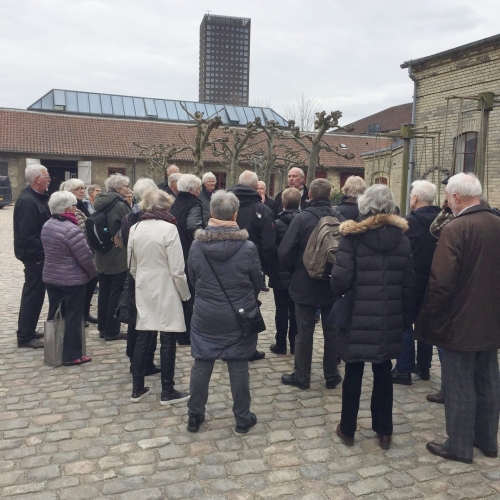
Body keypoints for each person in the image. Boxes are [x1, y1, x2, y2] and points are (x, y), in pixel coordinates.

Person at [415, 173, 500, 464]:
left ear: (456, 197)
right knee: (488, 381)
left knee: (460, 384)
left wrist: (431, 314)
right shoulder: (497, 223)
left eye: (448, 197)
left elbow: (441, 281)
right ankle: (487, 440)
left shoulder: (456, 228)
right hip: (491, 320)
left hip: (460, 321)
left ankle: (460, 445)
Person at [331, 184, 413, 450]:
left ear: (365, 205)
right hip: (388, 314)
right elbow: (408, 283)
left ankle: (348, 428)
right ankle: (384, 431)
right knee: (383, 371)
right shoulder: (402, 239)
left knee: (353, 371)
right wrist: (405, 316)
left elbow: (340, 280)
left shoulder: (352, 238)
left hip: (357, 313)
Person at [186, 190, 262, 433]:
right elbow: (257, 281)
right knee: (238, 362)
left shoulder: (197, 246)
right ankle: (242, 417)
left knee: (202, 361)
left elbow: (192, 278)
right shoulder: (248, 247)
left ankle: (194, 414)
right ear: (235, 215)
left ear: (211, 213)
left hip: (206, 312)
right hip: (238, 314)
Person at [278, 178, 344, 390]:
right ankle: (332, 374)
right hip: (332, 282)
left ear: (309, 195)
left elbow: (284, 252)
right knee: (332, 330)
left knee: (304, 331)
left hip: (305, 280)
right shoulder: (339, 218)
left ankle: (302, 376)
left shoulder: (302, 218)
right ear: (329, 195)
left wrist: (297, 270)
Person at [128, 189, 191, 404]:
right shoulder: (169, 229)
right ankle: (167, 390)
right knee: (167, 339)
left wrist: (142, 281)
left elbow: (132, 265)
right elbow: (177, 269)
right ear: (166, 206)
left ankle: (137, 388)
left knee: (143, 337)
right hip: (167, 287)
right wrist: (185, 295)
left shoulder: (135, 228)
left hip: (144, 286)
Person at [41, 191, 97, 365]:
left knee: (55, 315)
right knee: (73, 317)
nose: (76, 208)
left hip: (51, 277)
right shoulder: (72, 230)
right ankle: (72, 355)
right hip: (72, 280)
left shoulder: (47, 225)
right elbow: (85, 257)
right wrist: (93, 274)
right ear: (66, 208)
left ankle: (54, 348)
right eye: (74, 205)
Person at [392, 180, 440, 385]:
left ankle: (404, 368)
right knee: (426, 323)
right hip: (435, 279)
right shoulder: (442, 221)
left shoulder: (408, 223)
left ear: (415, 198)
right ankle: (424, 366)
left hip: (412, 280)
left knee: (406, 323)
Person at [228, 170, 276, 360]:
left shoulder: (225, 205)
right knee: (249, 306)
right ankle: (248, 349)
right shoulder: (262, 210)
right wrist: (265, 268)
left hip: (224, 264)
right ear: (257, 187)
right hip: (251, 266)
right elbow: (268, 244)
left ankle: (228, 345)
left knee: (228, 304)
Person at [121, 178, 161, 376]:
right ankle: (144, 362)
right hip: (149, 273)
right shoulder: (145, 219)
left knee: (136, 321)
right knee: (148, 322)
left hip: (136, 273)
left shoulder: (128, 217)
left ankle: (135, 359)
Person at [14, 164, 51, 348]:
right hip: (34, 257)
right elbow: (27, 234)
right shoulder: (28, 201)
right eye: (47, 176)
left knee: (36, 295)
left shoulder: (36, 198)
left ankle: (28, 329)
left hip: (38, 256)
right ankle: (25, 335)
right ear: (37, 179)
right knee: (32, 295)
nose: (49, 180)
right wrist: (38, 256)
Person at [94, 173, 131, 341]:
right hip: (117, 253)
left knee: (104, 292)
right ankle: (112, 330)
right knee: (116, 292)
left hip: (102, 253)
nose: (128, 189)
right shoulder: (120, 205)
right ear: (117, 188)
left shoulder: (100, 201)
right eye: (125, 186)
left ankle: (102, 327)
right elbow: (129, 226)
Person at [170, 174, 206, 346]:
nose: (199, 191)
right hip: (188, 251)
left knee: (179, 293)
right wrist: (203, 239)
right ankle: (188, 333)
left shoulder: (174, 202)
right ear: (192, 189)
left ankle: (179, 332)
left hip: (175, 249)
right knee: (190, 293)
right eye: (198, 188)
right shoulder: (194, 204)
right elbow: (193, 226)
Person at [60, 179, 99, 326]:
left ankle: (85, 312)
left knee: (91, 282)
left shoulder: (85, 204)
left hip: (89, 249)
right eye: (78, 189)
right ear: (69, 191)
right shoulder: (69, 208)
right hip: (77, 251)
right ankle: (78, 316)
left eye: (83, 188)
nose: (82, 191)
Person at [268, 187, 300, 355]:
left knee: (281, 310)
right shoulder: (303, 222)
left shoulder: (277, 224)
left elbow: (271, 248)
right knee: (295, 311)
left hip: (280, 273)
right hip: (297, 273)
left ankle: (280, 344)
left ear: (283, 203)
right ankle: (295, 344)